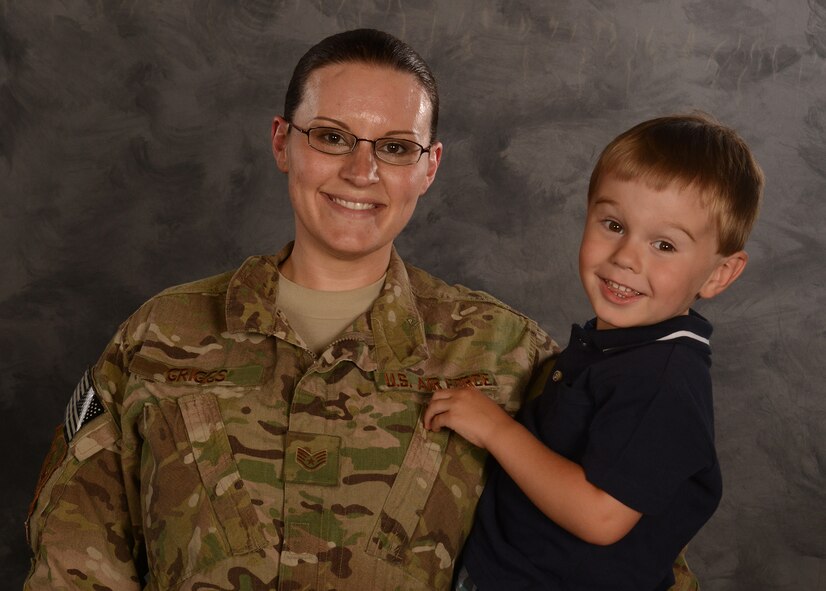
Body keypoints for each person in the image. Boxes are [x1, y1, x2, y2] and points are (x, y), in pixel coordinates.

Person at [23, 29, 557, 590]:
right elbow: (70, 560)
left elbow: (600, 547)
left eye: (396, 147)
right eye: (332, 137)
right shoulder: (158, 337)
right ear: (282, 143)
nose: (362, 171)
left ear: (430, 166)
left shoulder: (503, 354)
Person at [424, 113, 764, 590]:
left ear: (718, 274)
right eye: (613, 224)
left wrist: (495, 429)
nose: (626, 257)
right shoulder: (621, 346)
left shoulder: (662, 381)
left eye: (664, 245)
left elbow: (600, 517)